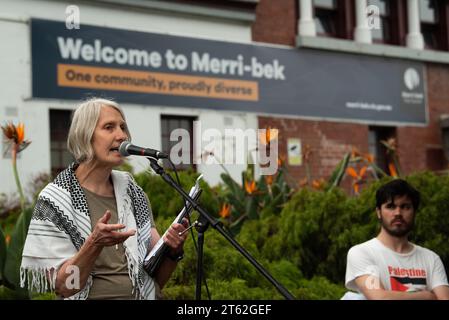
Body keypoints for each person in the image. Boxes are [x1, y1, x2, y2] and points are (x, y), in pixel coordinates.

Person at [20, 98, 188, 300]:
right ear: (85, 135)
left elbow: (154, 280)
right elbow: (64, 287)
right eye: (109, 127)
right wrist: (94, 243)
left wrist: (172, 251)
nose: (122, 135)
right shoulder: (55, 199)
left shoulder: (133, 193)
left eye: (123, 127)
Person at [344, 179, 449, 300]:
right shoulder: (362, 252)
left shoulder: (431, 259)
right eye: (390, 206)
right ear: (379, 212)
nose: (398, 213)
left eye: (405, 207)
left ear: (414, 212)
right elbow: (379, 297)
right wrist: (425, 296)